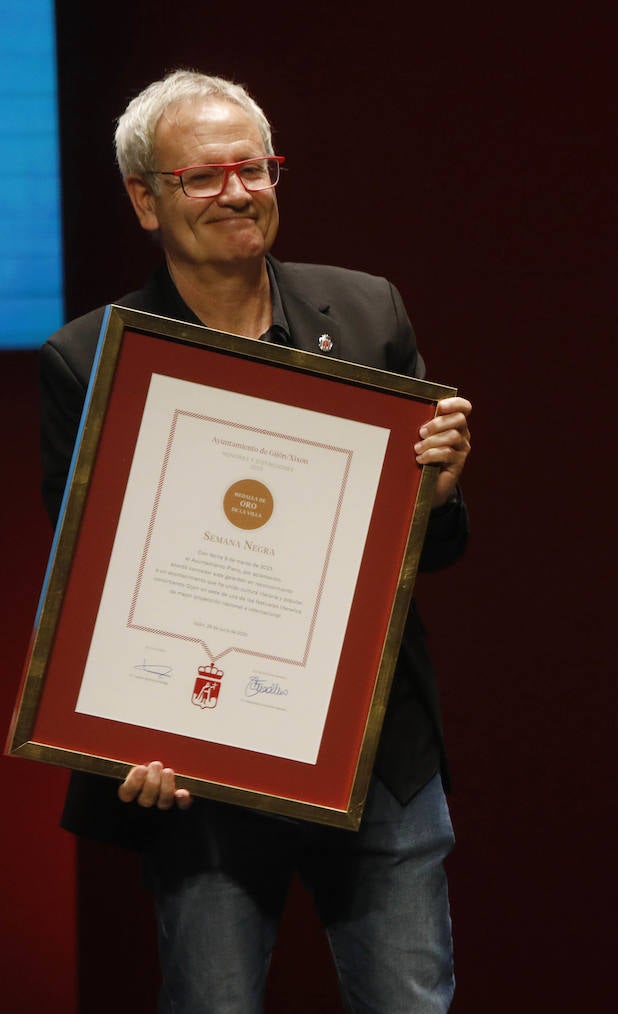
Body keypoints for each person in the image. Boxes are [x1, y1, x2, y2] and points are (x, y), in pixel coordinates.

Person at [38, 70, 472, 1012]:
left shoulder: (366, 314)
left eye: (255, 168)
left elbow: (429, 554)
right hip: (193, 767)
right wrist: (125, 731)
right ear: (145, 201)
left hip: (372, 752)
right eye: (203, 177)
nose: (238, 192)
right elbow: (91, 585)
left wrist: (438, 491)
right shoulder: (92, 356)